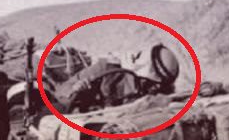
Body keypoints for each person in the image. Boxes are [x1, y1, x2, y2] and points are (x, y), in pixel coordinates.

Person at [49, 43, 179, 113]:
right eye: (151, 84)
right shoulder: (107, 69)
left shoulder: (160, 87)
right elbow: (61, 93)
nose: (154, 88)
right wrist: (75, 89)